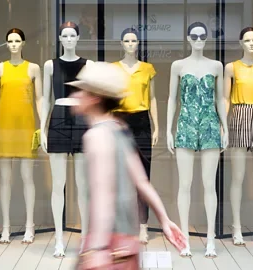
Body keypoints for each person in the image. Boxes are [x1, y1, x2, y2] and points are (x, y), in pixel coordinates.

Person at [66, 62, 187, 269]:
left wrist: (96, 247)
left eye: (80, 90)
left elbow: (105, 194)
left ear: (95, 97)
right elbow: (142, 182)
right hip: (127, 246)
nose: (74, 95)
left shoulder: (96, 136)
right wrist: (165, 220)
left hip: (107, 248)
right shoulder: (119, 129)